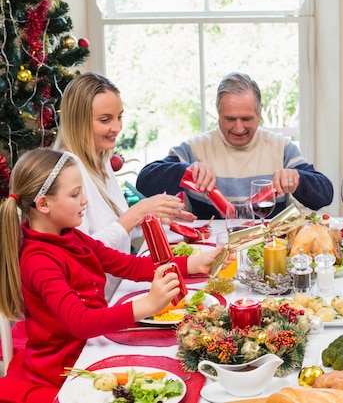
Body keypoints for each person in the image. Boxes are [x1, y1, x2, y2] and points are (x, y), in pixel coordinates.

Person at [0, 148, 223, 403]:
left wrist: (192, 263)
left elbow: (127, 265)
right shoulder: (39, 260)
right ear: (43, 204)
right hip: (65, 370)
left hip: (92, 345)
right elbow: (80, 322)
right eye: (75, 194)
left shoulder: (69, 235)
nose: (84, 200)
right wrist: (147, 305)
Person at [54, 72, 196, 300]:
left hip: (114, 289)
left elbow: (117, 229)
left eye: (119, 117)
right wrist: (137, 212)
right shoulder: (67, 171)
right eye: (105, 120)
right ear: (77, 121)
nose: (117, 127)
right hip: (91, 303)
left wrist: (155, 217)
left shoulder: (100, 160)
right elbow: (81, 253)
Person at [136, 72, 333, 219]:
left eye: (246, 118)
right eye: (230, 119)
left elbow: (325, 195)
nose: (238, 128)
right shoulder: (195, 147)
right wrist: (185, 171)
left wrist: (298, 179)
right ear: (218, 113)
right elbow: (144, 182)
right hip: (209, 251)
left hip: (269, 250)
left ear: (259, 113)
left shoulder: (281, 147)